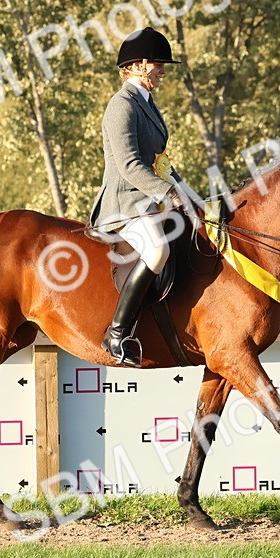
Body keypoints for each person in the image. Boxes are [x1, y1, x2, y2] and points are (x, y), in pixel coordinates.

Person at [89, 27, 193, 367]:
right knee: (158, 248)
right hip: (124, 204)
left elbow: (159, 163)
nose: (162, 71)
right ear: (136, 66)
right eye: (158, 65)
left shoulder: (147, 104)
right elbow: (130, 164)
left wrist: (190, 195)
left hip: (147, 200)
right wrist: (168, 194)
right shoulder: (121, 106)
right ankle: (117, 333)